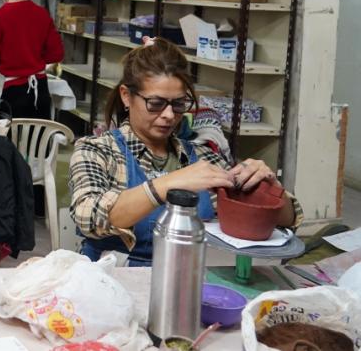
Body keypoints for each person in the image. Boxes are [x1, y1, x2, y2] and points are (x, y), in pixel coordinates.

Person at [69, 38, 303, 266]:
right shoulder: (96, 150)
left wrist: (267, 189)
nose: (169, 115)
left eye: (179, 104)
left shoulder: (202, 156)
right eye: (156, 103)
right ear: (126, 96)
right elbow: (88, 215)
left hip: (186, 278)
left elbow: (289, 219)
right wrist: (167, 184)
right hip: (113, 277)